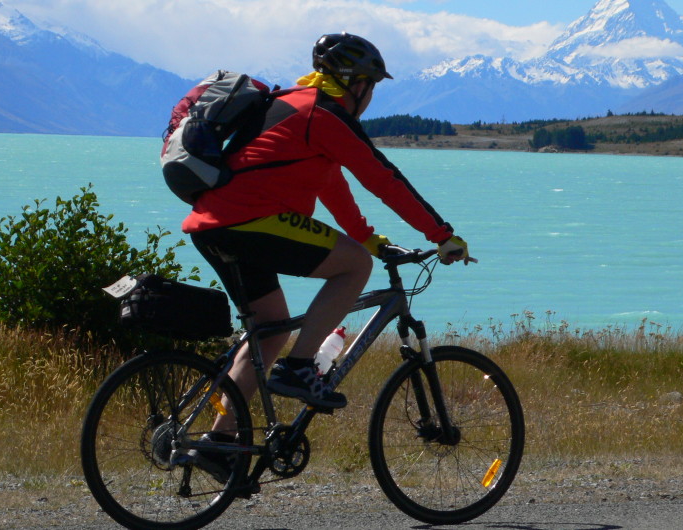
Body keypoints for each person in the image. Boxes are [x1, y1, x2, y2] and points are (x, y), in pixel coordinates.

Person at [182, 32, 471, 481]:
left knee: (268, 332)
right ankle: (300, 369)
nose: (371, 97)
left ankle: (217, 442)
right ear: (355, 83)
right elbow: (382, 178)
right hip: (248, 222)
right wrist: (441, 235)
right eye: (371, 86)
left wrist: (370, 238)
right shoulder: (324, 115)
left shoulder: (297, 105)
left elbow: (330, 185)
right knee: (355, 266)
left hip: (212, 225)